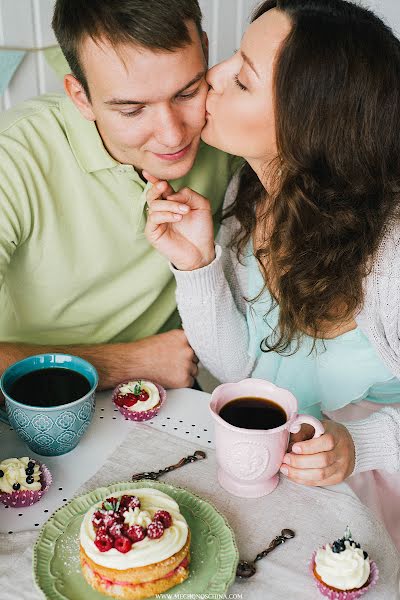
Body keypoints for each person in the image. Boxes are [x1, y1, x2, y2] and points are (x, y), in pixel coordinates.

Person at [145, 0, 400, 547]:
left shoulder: (392, 257)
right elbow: (241, 370)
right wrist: (197, 267)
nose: (211, 77)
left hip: (372, 485)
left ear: (311, 122)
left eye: (241, 77)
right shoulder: (248, 195)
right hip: (274, 470)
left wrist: (360, 446)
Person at [0, 0, 239, 390]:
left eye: (187, 92)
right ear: (80, 97)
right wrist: (127, 362)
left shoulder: (228, 131)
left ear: (206, 53)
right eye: (132, 110)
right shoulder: (11, 157)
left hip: (173, 390)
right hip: (30, 401)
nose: (173, 135)